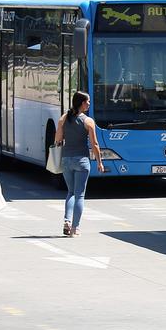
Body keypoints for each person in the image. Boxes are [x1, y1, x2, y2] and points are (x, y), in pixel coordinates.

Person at [54, 91, 104, 237]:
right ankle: (75, 228)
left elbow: (57, 139)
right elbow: (94, 144)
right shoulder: (88, 121)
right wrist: (99, 162)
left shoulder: (64, 118)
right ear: (82, 103)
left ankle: (67, 221)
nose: (89, 104)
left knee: (70, 193)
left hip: (66, 160)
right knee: (80, 195)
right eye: (87, 101)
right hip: (82, 161)